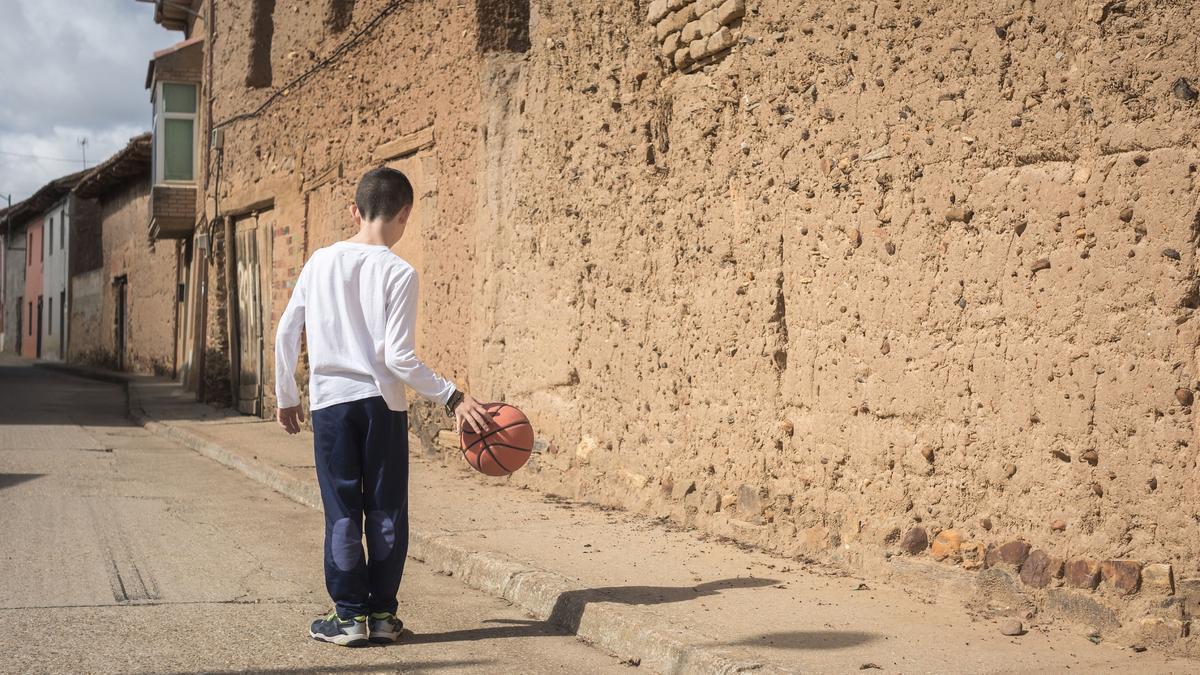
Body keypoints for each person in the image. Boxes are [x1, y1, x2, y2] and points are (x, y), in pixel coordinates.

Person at [274, 166, 492, 647]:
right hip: (383, 406)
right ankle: (382, 616)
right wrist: (452, 396)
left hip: (331, 405)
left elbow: (287, 331)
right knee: (387, 511)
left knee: (343, 511)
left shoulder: (320, 262)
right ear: (405, 214)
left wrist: (287, 395)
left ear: (356, 209)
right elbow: (398, 357)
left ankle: (348, 617)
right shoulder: (399, 271)